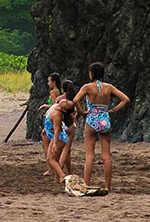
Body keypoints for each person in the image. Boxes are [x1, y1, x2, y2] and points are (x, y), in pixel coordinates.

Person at [73, 62, 130, 191]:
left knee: (89, 155)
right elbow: (126, 99)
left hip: (92, 118)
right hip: (105, 118)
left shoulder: (87, 87)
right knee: (106, 156)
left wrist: (81, 112)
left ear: (91, 73)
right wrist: (113, 110)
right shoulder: (108, 87)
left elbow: (75, 100)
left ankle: (86, 185)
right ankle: (107, 186)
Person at [44, 97, 76, 183]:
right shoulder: (57, 109)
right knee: (55, 159)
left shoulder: (57, 115)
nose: (65, 100)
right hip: (57, 138)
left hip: (58, 138)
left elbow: (57, 129)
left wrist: (55, 143)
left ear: (64, 110)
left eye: (66, 102)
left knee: (50, 159)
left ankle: (62, 176)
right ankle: (57, 179)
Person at [38, 72, 62, 176]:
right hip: (57, 118)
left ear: (54, 82)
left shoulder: (53, 92)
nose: (48, 84)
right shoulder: (59, 91)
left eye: (49, 81)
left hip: (52, 118)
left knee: (46, 138)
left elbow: (54, 106)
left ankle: (50, 167)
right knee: (47, 136)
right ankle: (52, 165)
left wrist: (45, 106)